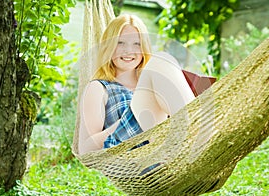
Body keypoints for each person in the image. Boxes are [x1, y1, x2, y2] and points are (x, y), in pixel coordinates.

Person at [78, 14, 196, 154]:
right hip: (126, 157)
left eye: (137, 43)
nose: (129, 51)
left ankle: (197, 129)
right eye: (120, 43)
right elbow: (85, 150)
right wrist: (131, 116)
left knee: (164, 61)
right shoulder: (99, 87)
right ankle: (199, 128)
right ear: (108, 47)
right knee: (160, 59)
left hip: (161, 150)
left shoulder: (153, 82)